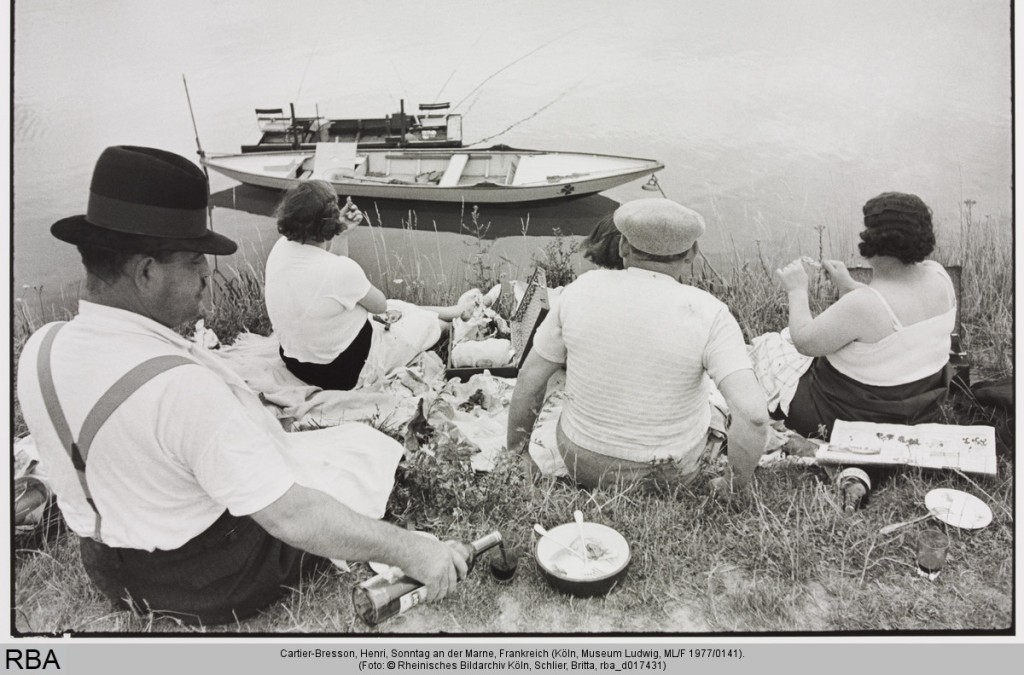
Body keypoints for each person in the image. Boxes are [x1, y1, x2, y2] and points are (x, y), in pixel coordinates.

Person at [16, 146, 468, 625]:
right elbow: (290, 517)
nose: (207, 280)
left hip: (105, 567)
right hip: (205, 578)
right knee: (353, 460)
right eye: (195, 262)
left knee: (326, 454)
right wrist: (414, 551)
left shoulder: (42, 347)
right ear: (146, 272)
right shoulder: (181, 388)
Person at [507, 198, 768, 495]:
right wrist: (734, 484)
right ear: (692, 253)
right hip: (669, 474)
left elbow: (530, 377)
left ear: (623, 248)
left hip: (581, 461)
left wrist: (517, 453)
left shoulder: (580, 290)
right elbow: (754, 416)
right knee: (713, 406)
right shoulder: (711, 312)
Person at [773, 192, 956, 438]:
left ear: (873, 240)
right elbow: (890, 312)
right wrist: (848, 285)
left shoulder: (863, 305)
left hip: (855, 413)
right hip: (921, 403)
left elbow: (804, 342)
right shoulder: (939, 277)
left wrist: (796, 290)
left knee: (771, 349)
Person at [264, 179, 468, 391]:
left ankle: (457, 310)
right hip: (342, 371)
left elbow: (330, 276)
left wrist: (341, 233)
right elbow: (379, 306)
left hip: (298, 364)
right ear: (329, 223)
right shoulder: (339, 271)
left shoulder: (281, 249)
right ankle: (458, 320)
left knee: (395, 305)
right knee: (425, 324)